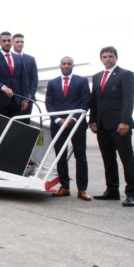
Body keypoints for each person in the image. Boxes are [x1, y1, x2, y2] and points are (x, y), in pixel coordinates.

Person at [89, 46, 134, 207]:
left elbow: (128, 99)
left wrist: (124, 121)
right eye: (104, 56)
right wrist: (92, 120)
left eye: (111, 56)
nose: (108, 59)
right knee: (108, 159)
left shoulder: (125, 75)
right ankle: (112, 191)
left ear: (116, 57)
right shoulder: (96, 77)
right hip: (102, 126)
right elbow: (95, 101)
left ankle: (132, 194)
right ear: (101, 59)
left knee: (127, 159)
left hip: (119, 125)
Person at [45, 56, 92, 201]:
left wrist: (73, 119)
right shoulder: (52, 83)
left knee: (80, 156)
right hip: (58, 124)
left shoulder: (82, 81)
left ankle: (82, 189)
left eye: (69, 64)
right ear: (60, 65)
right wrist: (58, 120)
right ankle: (64, 186)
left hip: (76, 124)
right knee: (60, 156)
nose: (66, 66)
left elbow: (86, 101)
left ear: (73, 65)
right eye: (64, 64)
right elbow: (49, 103)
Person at [0, 31, 27, 116]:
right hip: (0, 99)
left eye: (9, 40)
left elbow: (23, 80)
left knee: (15, 127)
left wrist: (25, 99)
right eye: (4, 41)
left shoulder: (19, 59)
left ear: (12, 42)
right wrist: (3, 87)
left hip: (17, 100)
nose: (7, 43)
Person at [12, 33, 38, 123]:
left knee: (25, 123)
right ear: (12, 43)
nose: (20, 44)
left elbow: (34, 79)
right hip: (13, 97)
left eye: (22, 42)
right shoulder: (8, 57)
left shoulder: (30, 59)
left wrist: (28, 96)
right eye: (17, 42)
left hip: (28, 98)